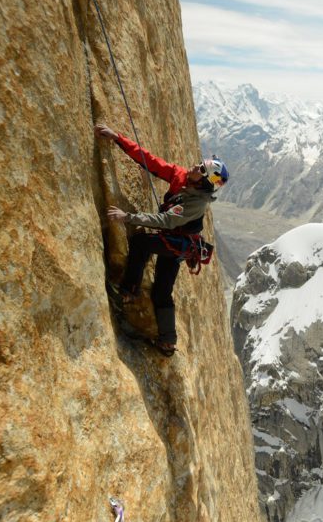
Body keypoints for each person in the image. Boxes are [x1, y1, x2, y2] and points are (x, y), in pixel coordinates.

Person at [95, 123, 228, 356]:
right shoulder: (180, 176)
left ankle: (128, 291)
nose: (195, 165)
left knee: (142, 243)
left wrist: (128, 217)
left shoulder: (196, 204)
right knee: (161, 290)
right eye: (200, 164)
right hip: (177, 240)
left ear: (204, 181)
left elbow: (166, 220)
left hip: (178, 243)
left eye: (200, 168)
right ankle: (167, 340)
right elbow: (150, 161)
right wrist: (118, 138)